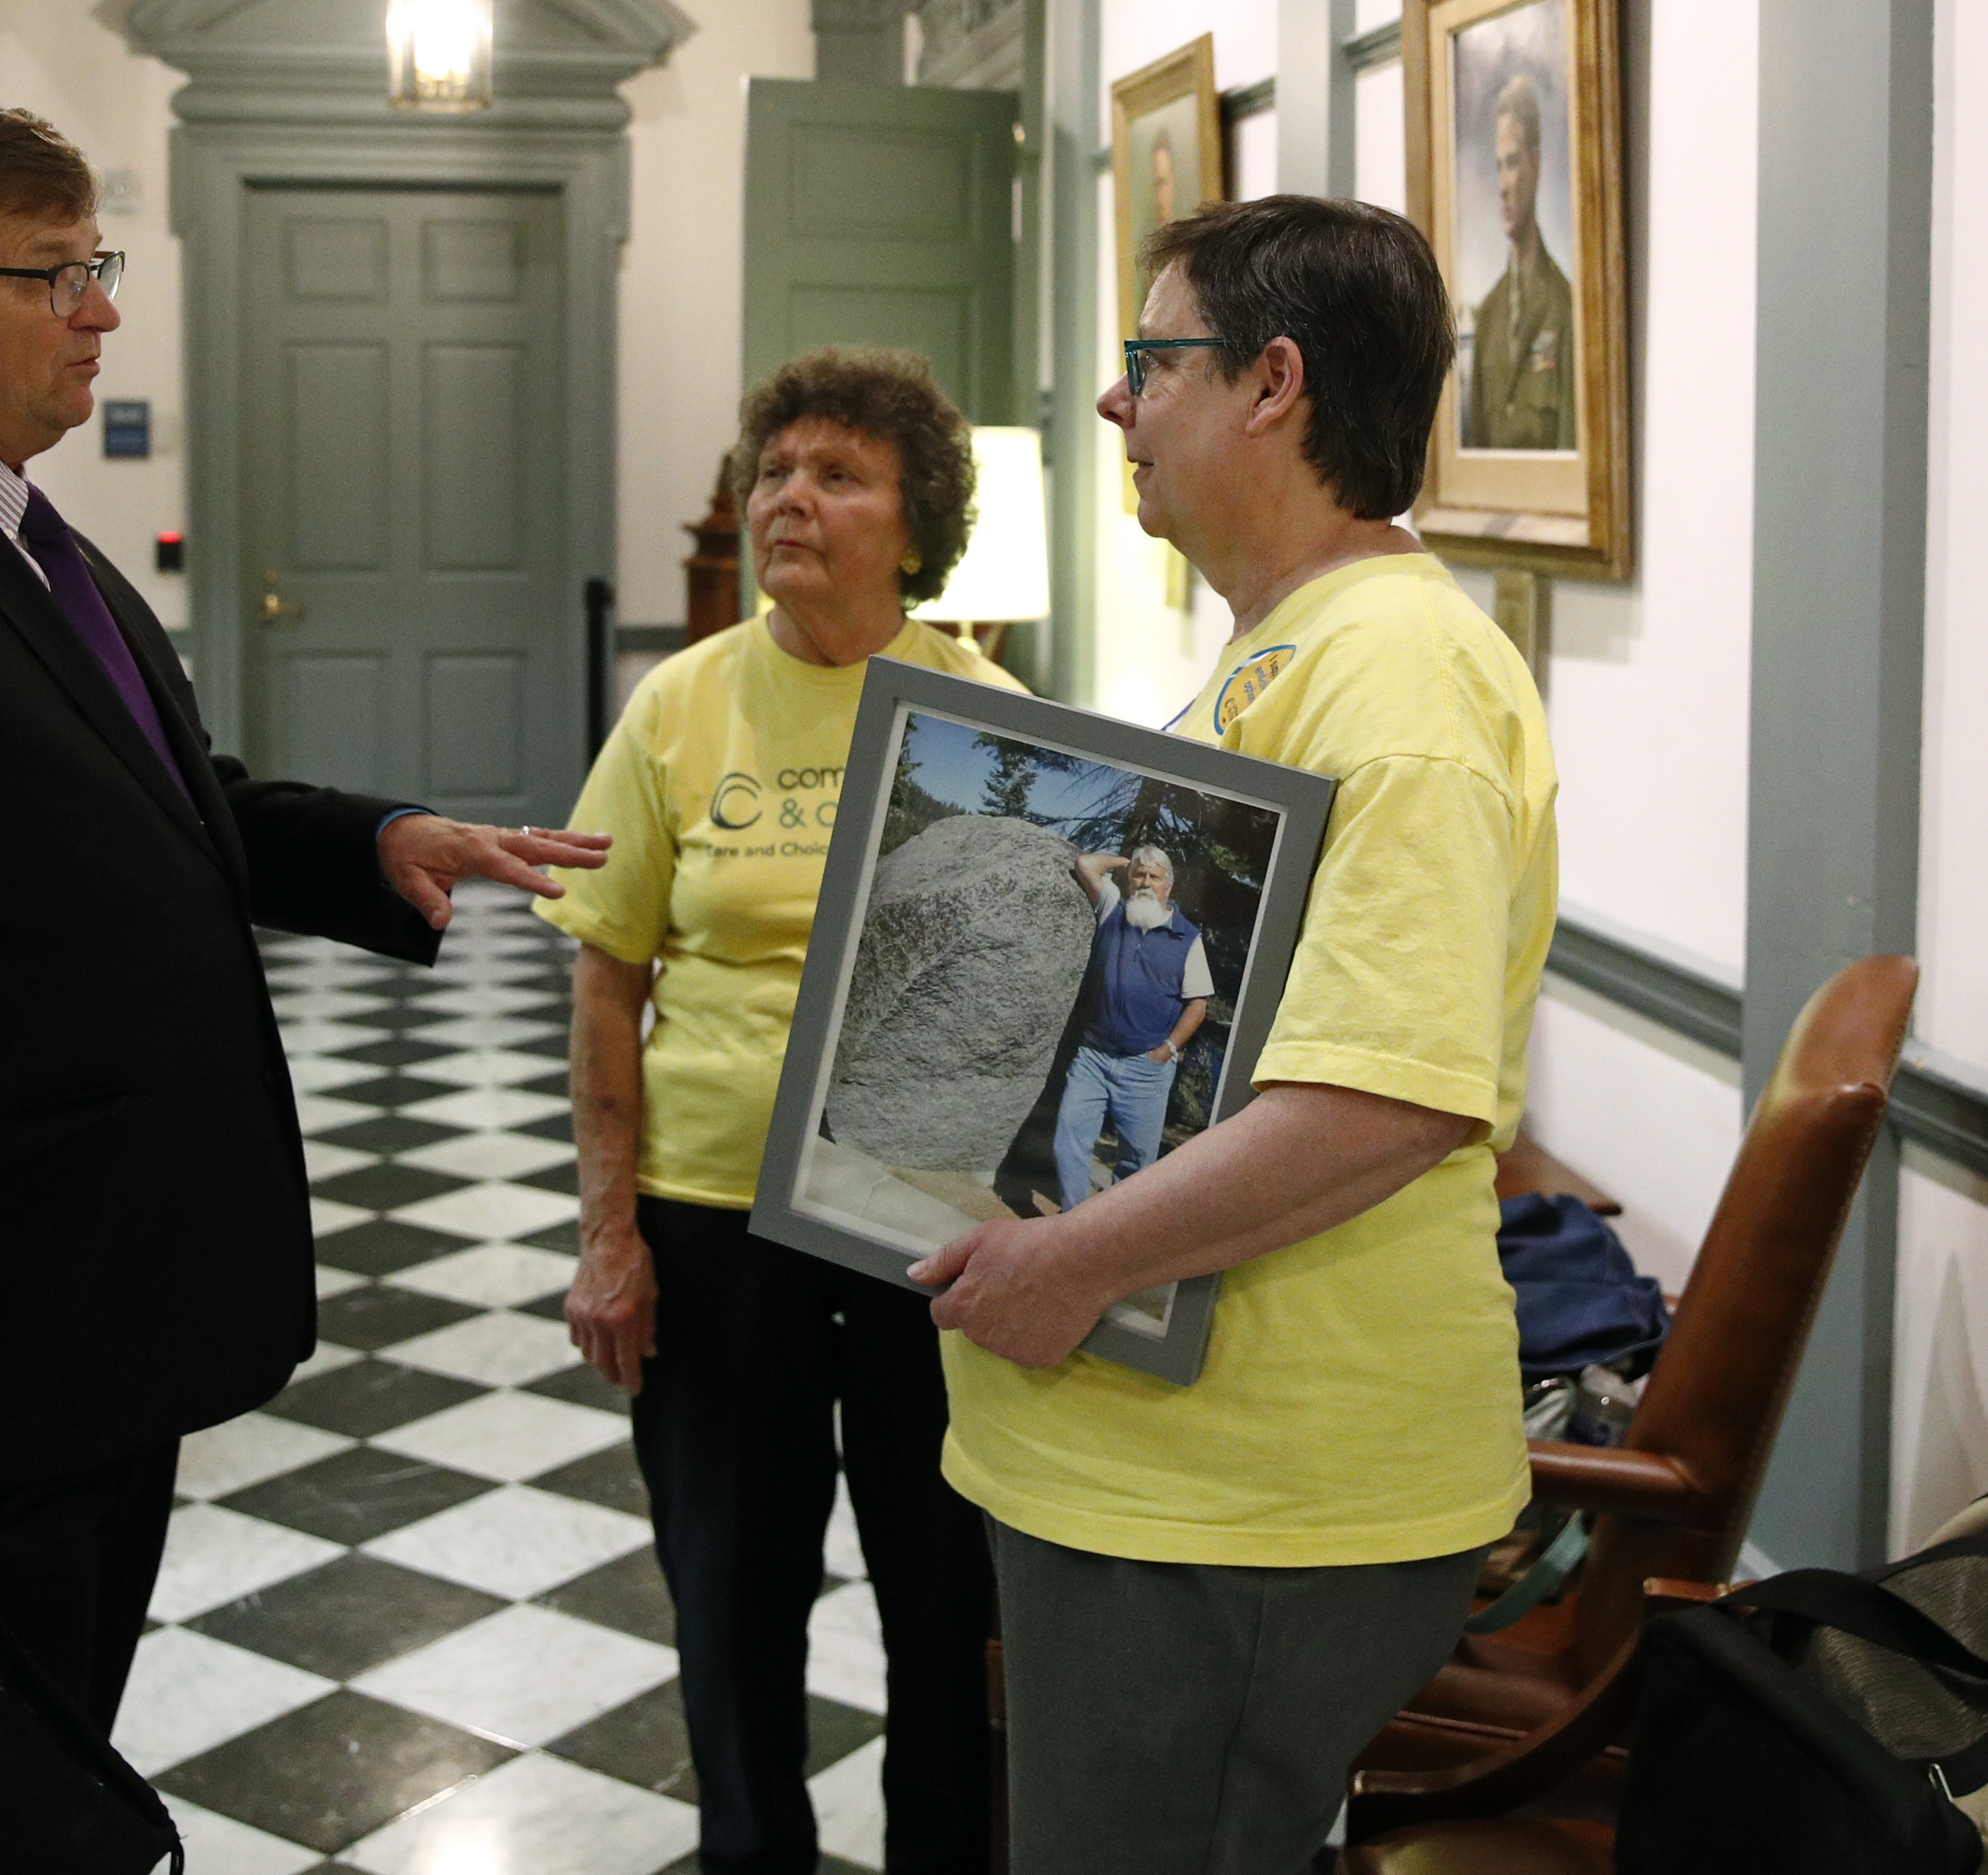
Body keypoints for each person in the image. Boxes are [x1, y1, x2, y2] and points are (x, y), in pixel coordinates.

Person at [0, 102, 604, 1741]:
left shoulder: (17, 537)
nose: (99, 311)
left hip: (65, 1338)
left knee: (38, 1784)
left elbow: (159, 801)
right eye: (54, 275)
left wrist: (370, 844)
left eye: (100, 268)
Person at [913, 195, 1558, 1875]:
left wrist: (1066, 1263)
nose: (1118, 404)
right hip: (1177, 1470)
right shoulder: (1290, 651)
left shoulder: (1399, 684)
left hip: (1253, 1495)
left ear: (1273, 384)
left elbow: (1382, 1101)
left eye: (1151, 360)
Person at [547, 345, 1018, 1875]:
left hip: (926, 1231)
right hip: (711, 1213)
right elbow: (608, 977)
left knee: (944, 1582)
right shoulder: (679, 706)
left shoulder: (985, 714)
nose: (792, 499)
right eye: (777, 469)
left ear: (914, 521)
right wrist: (606, 1232)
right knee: (731, 1582)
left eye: (839, 474)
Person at [1046, 842, 1215, 1214]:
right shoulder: (1112, 909)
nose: (1144, 883)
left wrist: (1167, 1050)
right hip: (1094, 1057)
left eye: (1154, 877)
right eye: (1139, 875)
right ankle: (1072, 1221)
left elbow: (1198, 1005)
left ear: (1168, 886)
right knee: (1068, 1141)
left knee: (1137, 1164)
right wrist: (1129, 861)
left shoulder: (1187, 938)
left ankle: (1110, 1226)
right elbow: (1086, 864)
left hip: (1146, 1069)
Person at [1463, 72, 1575, 452]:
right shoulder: (1491, 314)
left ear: (1536, 164)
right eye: (1498, 166)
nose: (1503, 185)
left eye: (1512, 163)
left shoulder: (1565, 307)